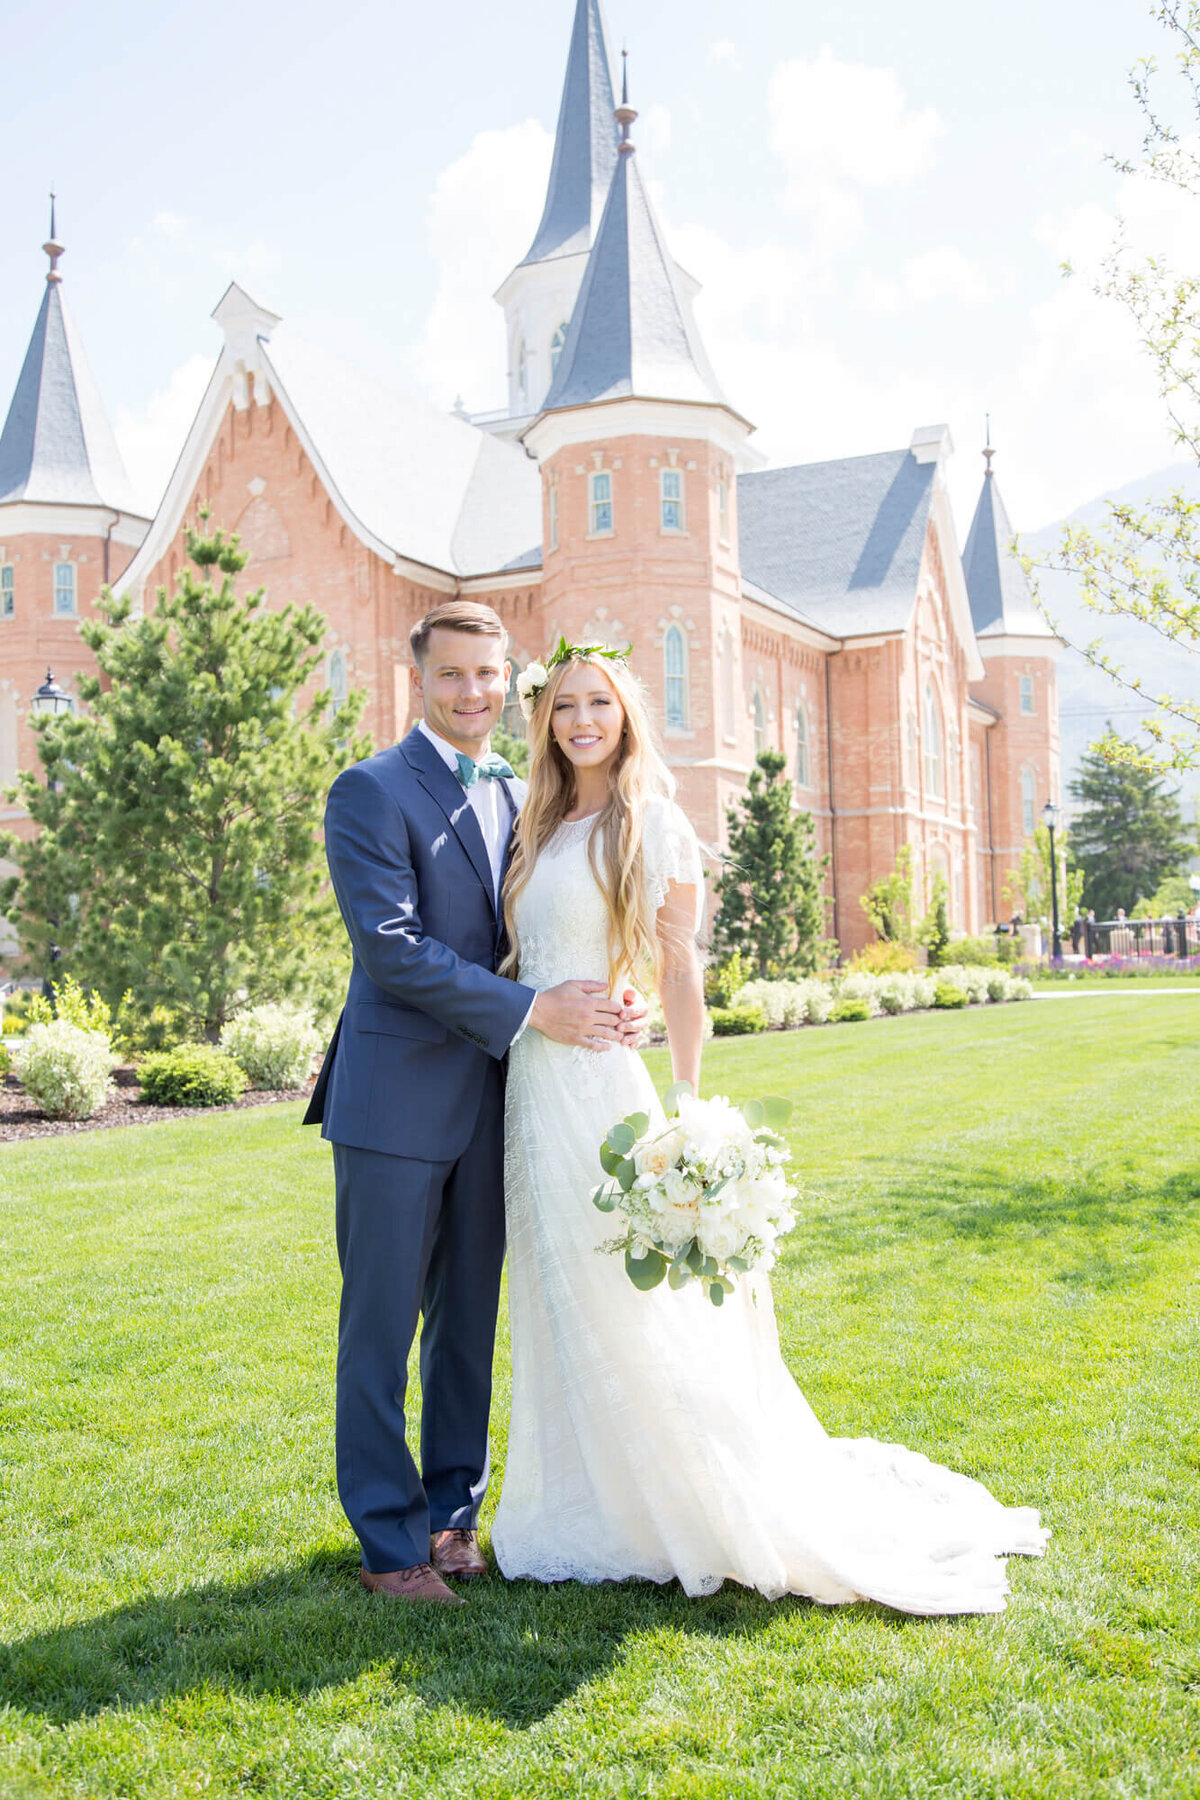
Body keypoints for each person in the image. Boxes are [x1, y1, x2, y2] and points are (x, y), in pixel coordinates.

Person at [492, 643, 1049, 1614]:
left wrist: (689, 1102)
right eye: (566, 705)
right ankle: (582, 1493)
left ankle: (687, 1497)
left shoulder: (651, 821)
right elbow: (521, 957)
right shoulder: (537, 824)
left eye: (600, 704)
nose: (582, 720)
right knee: (554, 1294)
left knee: (631, 1303)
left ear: (625, 717)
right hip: (530, 1085)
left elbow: (678, 971)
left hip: (602, 1083)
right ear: (545, 719)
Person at [305, 602, 645, 1606]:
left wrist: (603, 991)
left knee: (467, 1327)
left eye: (487, 676)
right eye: (451, 675)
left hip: (501, 1103)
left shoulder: (518, 797)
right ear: (420, 680)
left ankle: (453, 1520)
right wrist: (535, 1007)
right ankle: (388, 1547)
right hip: (394, 1103)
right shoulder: (368, 790)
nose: (471, 693)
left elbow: (550, 926)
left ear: (509, 681)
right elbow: (394, 950)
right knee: (379, 1332)